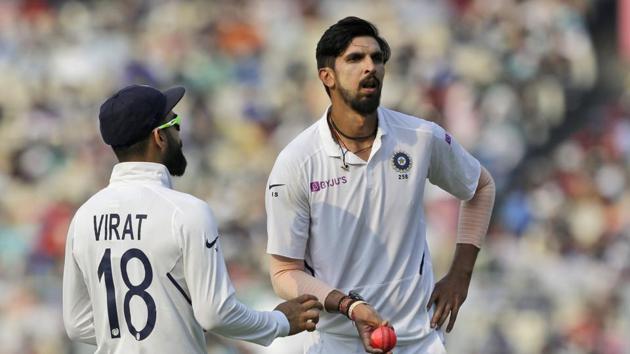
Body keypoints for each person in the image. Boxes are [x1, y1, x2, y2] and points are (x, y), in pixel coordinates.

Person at [265, 17, 496, 354]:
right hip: (337, 342)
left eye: (377, 58)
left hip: (419, 339)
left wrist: (461, 273)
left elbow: (480, 187)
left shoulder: (420, 137)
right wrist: (350, 307)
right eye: (355, 59)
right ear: (326, 76)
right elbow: (284, 272)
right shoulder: (297, 161)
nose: (370, 67)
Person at [62, 84, 323, 353]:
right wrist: (280, 321)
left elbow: (77, 323)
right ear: (158, 138)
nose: (179, 132)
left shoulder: (84, 216)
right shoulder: (186, 212)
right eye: (174, 122)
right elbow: (216, 314)